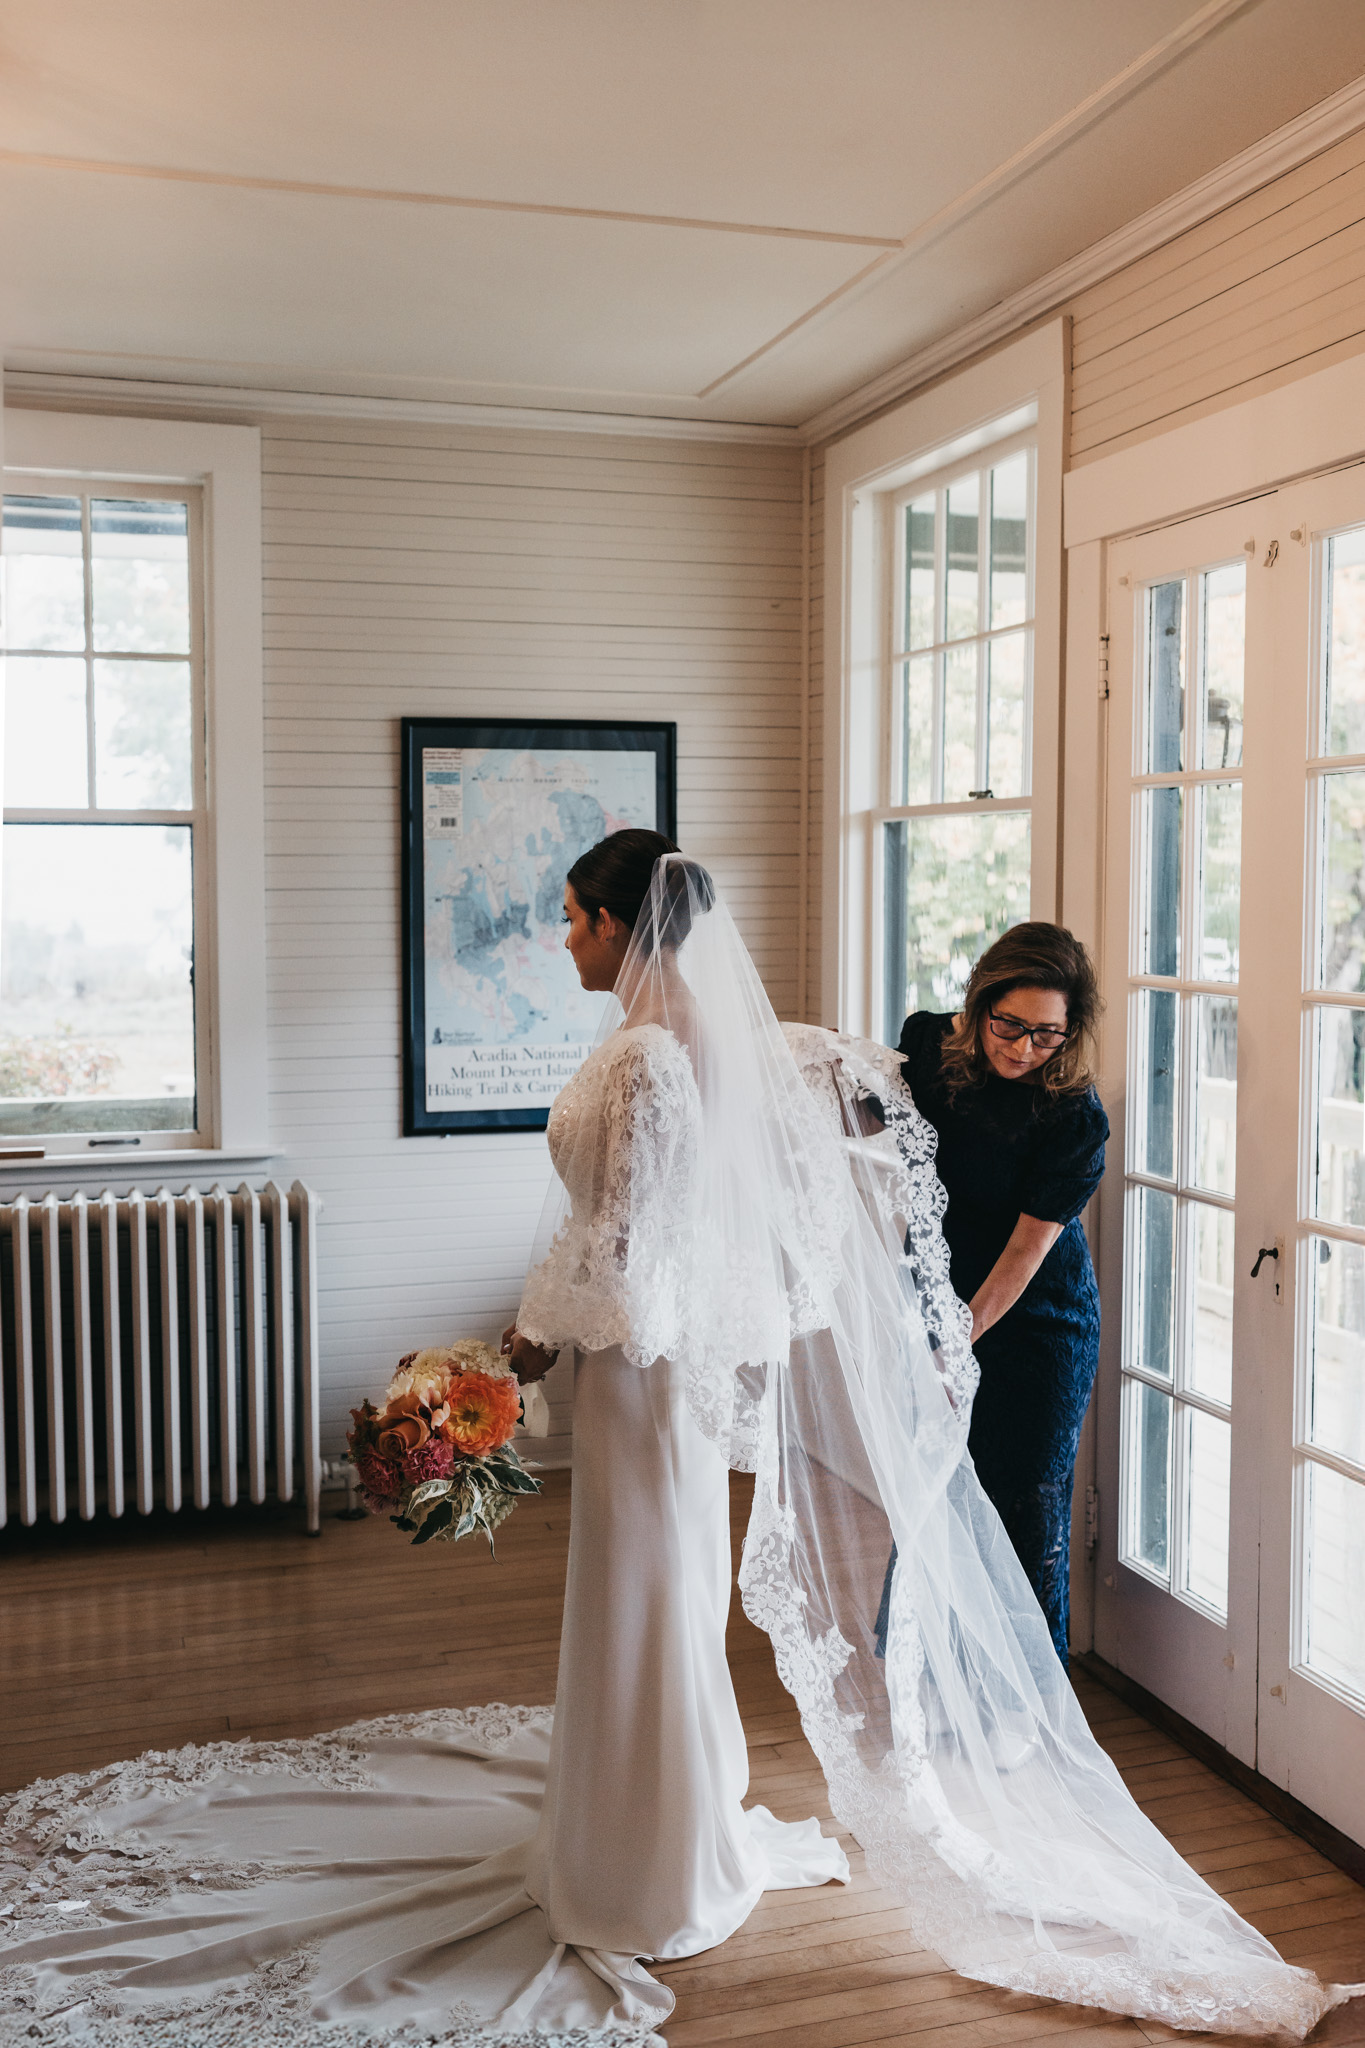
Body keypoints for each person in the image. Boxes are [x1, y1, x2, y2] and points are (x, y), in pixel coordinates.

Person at [3, 838, 1358, 2046]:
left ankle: (648, 1863)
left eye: (575, 919)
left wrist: (513, 1362)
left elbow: (630, 1256)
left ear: (615, 925)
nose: (565, 939)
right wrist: (517, 1359)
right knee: (645, 1601)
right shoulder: (675, 1047)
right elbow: (630, 1234)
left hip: (639, 1379)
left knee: (652, 1597)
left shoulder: (653, 1058)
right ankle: (662, 1822)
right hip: (636, 1372)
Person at [896, 923, 1107, 1665]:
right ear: (978, 1002)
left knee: (1024, 1509)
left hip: (1036, 1327)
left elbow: (1024, 1256)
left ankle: (1036, 1705)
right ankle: (946, 1679)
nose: (1022, 1049)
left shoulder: (1072, 1117)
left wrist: (951, 1342)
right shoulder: (925, 1046)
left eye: (1046, 1035)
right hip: (941, 1306)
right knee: (940, 1500)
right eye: (1008, 1025)